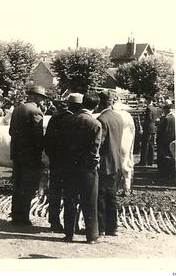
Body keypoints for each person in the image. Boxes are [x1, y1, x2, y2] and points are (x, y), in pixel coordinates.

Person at [62, 93, 102, 244]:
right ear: (96, 106)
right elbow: (95, 150)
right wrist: (93, 164)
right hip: (87, 169)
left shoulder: (68, 120)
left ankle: (68, 234)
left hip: (69, 166)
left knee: (70, 200)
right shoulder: (95, 124)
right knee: (90, 201)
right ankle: (92, 236)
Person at [9, 85, 46, 225]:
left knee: (17, 184)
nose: (42, 101)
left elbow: (11, 131)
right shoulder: (36, 112)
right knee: (28, 186)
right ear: (36, 97)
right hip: (30, 156)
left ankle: (15, 215)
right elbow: (38, 137)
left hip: (17, 153)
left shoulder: (18, 109)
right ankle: (23, 217)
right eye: (41, 98)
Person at [43, 97, 80, 232]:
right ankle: (72, 224)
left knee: (55, 192)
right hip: (72, 164)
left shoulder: (54, 119)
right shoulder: (77, 120)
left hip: (56, 162)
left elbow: (47, 142)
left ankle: (54, 222)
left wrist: (53, 156)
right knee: (72, 194)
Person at [96, 90, 124, 237]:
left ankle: (101, 227)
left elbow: (100, 143)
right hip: (116, 162)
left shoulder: (102, 119)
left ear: (101, 103)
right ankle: (112, 227)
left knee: (100, 196)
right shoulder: (118, 117)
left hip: (104, 163)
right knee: (112, 195)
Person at [137, 96, 159, 166]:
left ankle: (143, 161)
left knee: (145, 145)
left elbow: (148, 119)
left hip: (148, 128)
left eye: (146, 100)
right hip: (153, 128)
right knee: (151, 145)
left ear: (149, 101)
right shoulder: (155, 108)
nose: (145, 101)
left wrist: (143, 125)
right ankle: (150, 161)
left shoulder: (148, 108)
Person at [156, 103, 176, 178]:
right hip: (172, 139)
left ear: (168, 110)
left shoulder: (166, 118)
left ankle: (164, 172)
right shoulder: (174, 117)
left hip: (164, 140)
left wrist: (158, 139)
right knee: (172, 156)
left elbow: (162, 131)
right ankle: (170, 172)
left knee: (164, 156)